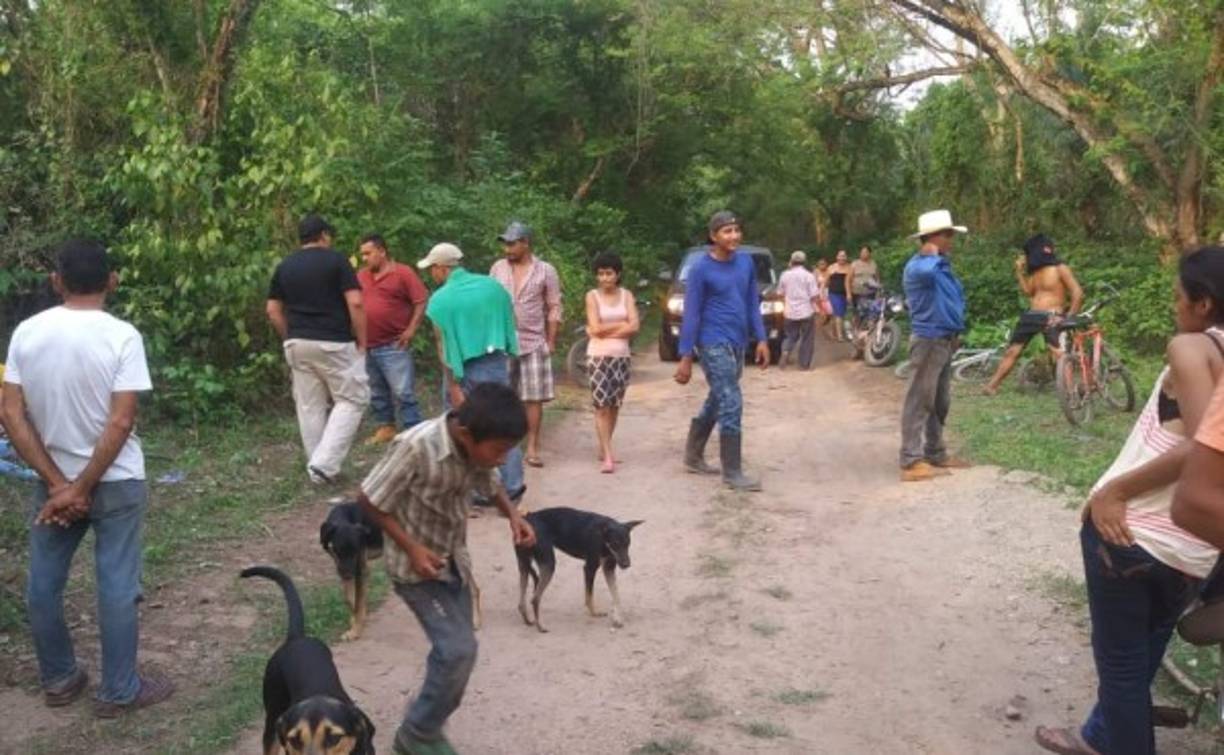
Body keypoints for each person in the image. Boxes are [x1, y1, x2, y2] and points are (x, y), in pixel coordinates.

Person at [1036, 245, 1224, 755]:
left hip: (1134, 536)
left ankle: (1114, 738)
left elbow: (1202, 445)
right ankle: (1099, 736)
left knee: (1120, 672)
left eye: (1178, 296)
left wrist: (1113, 491)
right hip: (1198, 549)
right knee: (1142, 653)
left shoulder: (1192, 348)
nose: (1175, 306)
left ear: (1203, 304)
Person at [0, 239, 175, 717]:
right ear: (112, 280)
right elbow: (121, 422)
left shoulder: (25, 334)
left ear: (56, 281)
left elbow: (11, 415)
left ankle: (59, 678)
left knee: (44, 582)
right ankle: (119, 690)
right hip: (115, 481)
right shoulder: (122, 336)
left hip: (51, 484)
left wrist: (60, 484)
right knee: (117, 584)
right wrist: (80, 487)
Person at [356, 382, 536, 755]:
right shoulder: (415, 447)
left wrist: (513, 515)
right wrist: (413, 547)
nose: (504, 458)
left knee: (454, 650)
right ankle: (417, 732)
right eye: (500, 450)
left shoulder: (477, 452)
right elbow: (369, 500)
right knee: (458, 650)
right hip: (415, 569)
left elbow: (490, 482)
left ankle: (427, 719)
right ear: (467, 434)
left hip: (454, 562)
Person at [266, 214, 370, 485]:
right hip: (333, 342)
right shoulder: (336, 260)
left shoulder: (285, 266)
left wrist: (290, 336)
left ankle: (318, 471)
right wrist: (362, 339)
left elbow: (273, 310)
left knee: (309, 406)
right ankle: (324, 464)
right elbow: (356, 302)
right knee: (353, 399)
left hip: (297, 343)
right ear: (323, 235)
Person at [419, 242, 526, 503]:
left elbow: (444, 347)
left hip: (463, 368)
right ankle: (512, 486)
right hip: (495, 361)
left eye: (432, 268)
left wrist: (454, 385)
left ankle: (471, 488)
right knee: (500, 421)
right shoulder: (493, 287)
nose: (431, 273)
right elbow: (511, 322)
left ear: (442, 268)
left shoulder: (440, 300)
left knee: (460, 426)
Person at [675, 210, 770, 492]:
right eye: (727, 231)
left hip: (738, 341)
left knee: (718, 398)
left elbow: (753, 302)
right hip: (711, 341)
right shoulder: (701, 269)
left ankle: (693, 454)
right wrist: (685, 355)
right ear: (713, 236)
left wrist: (762, 338)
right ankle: (733, 472)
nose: (734, 236)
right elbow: (691, 313)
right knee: (731, 399)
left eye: (737, 230)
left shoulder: (745, 263)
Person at [899, 210, 970, 482]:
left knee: (940, 401)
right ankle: (910, 460)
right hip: (928, 339)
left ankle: (935, 451)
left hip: (943, 338)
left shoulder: (941, 265)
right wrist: (931, 252)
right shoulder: (920, 266)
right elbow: (926, 269)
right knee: (919, 399)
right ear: (933, 237)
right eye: (948, 234)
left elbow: (951, 300)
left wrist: (955, 331)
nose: (952, 239)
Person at [490, 221, 562, 468]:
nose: (507, 249)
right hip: (502, 341)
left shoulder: (545, 270)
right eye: (505, 244)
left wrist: (551, 340)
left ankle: (532, 446)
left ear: (525, 243)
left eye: (511, 244)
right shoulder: (498, 268)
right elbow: (489, 301)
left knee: (533, 398)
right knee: (502, 396)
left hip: (534, 341)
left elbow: (553, 305)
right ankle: (505, 446)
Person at [983, 233, 1083, 395]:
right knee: (1012, 351)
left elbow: (1077, 293)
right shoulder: (1035, 273)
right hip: (1032, 315)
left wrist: (1070, 317)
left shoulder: (1060, 268)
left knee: (1059, 353)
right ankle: (991, 386)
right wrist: (1019, 271)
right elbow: (1028, 292)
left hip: (1052, 316)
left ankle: (1071, 390)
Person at [357, 233, 429, 444]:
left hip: (393, 343)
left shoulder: (403, 273)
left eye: (368, 253)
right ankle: (386, 426)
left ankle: (413, 430)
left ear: (382, 251)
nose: (364, 258)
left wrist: (411, 329)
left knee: (403, 391)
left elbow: (421, 300)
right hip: (368, 343)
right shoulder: (361, 276)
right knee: (377, 390)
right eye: (362, 254)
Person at [583, 252, 640, 474]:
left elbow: (635, 326)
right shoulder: (592, 296)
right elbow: (594, 327)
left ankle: (604, 445)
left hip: (621, 356)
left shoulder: (626, 295)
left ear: (618, 274)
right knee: (601, 406)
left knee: (615, 404)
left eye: (608, 273)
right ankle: (608, 455)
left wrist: (603, 330)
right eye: (600, 274)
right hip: (597, 356)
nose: (604, 278)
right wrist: (620, 326)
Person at [776, 250, 820, 369]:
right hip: (806, 311)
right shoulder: (809, 276)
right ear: (804, 262)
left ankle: (785, 351)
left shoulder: (784, 275)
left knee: (790, 336)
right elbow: (815, 295)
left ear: (792, 261)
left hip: (789, 312)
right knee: (807, 338)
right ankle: (804, 364)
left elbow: (780, 293)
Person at [825, 249, 853, 342]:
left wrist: (849, 294)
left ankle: (832, 330)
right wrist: (822, 292)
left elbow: (849, 281)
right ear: (837, 257)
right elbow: (826, 281)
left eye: (844, 256)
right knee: (839, 313)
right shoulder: (831, 267)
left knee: (840, 314)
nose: (842, 258)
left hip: (844, 293)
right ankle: (840, 335)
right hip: (834, 293)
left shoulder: (849, 268)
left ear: (846, 257)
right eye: (840, 256)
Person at [849, 244, 881, 327]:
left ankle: (866, 332)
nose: (863, 254)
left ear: (870, 253)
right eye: (862, 252)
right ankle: (855, 330)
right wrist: (848, 293)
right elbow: (848, 279)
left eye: (866, 252)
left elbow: (877, 279)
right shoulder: (854, 264)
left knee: (870, 313)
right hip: (857, 293)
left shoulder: (874, 264)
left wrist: (878, 290)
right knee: (858, 313)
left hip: (870, 293)